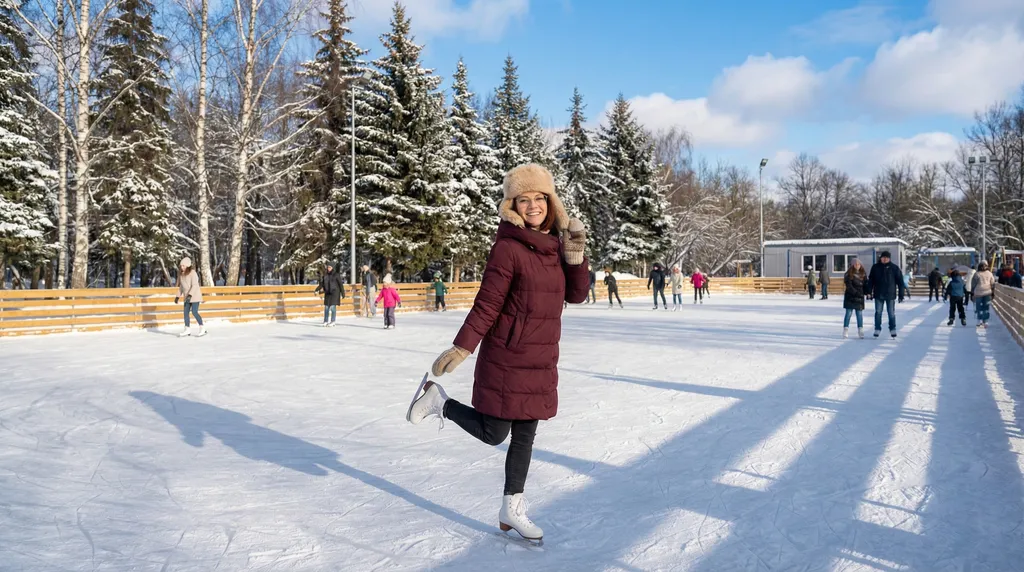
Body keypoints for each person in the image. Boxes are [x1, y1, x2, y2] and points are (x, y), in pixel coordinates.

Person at [405, 163, 590, 543]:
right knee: (494, 433)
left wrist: (576, 256)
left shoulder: (556, 244)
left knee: (525, 436)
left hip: (541, 355)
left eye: (540, 197)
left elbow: (576, 294)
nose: (534, 205)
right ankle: (438, 401)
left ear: (551, 202)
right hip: (508, 353)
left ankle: (512, 507)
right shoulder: (507, 248)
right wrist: (462, 346)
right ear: (513, 205)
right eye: (525, 199)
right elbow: (487, 304)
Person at [866, 250, 906, 338]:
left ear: (889, 259)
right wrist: (869, 292)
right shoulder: (875, 267)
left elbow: (900, 282)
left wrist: (901, 295)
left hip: (890, 294)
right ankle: (877, 328)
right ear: (881, 258)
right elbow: (871, 280)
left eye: (886, 258)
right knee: (878, 312)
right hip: (878, 293)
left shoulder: (894, 268)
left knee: (891, 312)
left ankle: (892, 328)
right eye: (883, 258)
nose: (884, 259)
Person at [175, 257, 207, 337]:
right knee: (185, 313)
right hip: (187, 297)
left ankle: (202, 327)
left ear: (188, 266)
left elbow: (195, 285)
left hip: (195, 296)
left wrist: (190, 295)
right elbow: (181, 287)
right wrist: (177, 296)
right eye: (181, 266)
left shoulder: (193, 273)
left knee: (194, 312)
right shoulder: (181, 275)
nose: (182, 267)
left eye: (184, 266)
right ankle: (187, 329)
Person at [314, 262, 346, 327]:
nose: (328, 268)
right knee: (326, 307)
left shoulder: (336, 275)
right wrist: (316, 289)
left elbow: (340, 284)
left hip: (335, 293)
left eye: (330, 267)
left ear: (332, 268)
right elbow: (322, 284)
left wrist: (343, 293)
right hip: (327, 293)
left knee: (332, 307)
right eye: (328, 267)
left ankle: (333, 321)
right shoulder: (325, 275)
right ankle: (325, 321)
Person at [842, 258, 867, 339]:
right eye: (855, 264)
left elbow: (866, 285)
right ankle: (845, 329)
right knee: (848, 313)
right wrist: (856, 293)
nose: (857, 266)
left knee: (859, 314)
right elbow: (849, 286)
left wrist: (868, 292)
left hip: (859, 297)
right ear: (852, 265)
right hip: (850, 297)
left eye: (859, 264)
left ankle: (860, 330)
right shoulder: (848, 274)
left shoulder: (863, 274)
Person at [972, 261, 996, 329]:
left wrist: (972, 292)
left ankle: (979, 320)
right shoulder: (990, 274)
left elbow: (973, 284)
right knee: (986, 307)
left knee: (978, 307)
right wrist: (993, 292)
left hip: (978, 293)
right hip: (987, 293)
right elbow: (993, 283)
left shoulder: (977, 274)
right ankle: (985, 321)